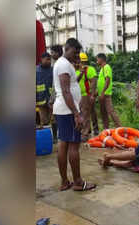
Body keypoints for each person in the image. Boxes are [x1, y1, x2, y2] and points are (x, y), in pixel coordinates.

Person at [53, 38, 96, 191]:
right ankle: (77, 182)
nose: (76, 55)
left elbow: (70, 85)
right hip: (68, 111)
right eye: (75, 52)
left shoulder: (62, 64)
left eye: (78, 53)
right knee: (73, 146)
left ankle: (65, 182)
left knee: (63, 145)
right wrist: (77, 114)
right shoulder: (64, 64)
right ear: (67, 48)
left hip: (63, 110)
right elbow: (66, 91)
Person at [76, 52, 99, 140]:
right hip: (79, 96)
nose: (81, 63)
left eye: (82, 62)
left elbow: (93, 81)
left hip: (86, 95)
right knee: (87, 112)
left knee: (86, 113)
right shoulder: (76, 70)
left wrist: (92, 95)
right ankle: (89, 129)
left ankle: (85, 133)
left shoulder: (89, 69)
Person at [96, 53, 122, 129]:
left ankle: (120, 128)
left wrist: (103, 92)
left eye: (97, 59)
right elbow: (101, 82)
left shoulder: (107, 67)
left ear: (101, 59)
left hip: (106, 94)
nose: (96, 61)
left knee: (111, 111)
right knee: (103, 113)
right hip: (101, 95)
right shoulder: (102, 69)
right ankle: (106, 129)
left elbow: (107, 80)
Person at [36, 52, 53, 126]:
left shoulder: (53, 70)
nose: (49, 61)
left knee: (53, 120)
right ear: (42, 59)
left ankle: (54, 136)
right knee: (44, 120)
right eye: (47, 59)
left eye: (50, 60)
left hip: (51, 99)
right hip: (40, 99)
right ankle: (47, 135)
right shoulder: (36, 71)